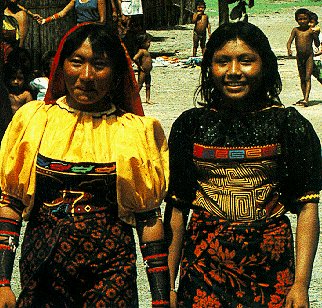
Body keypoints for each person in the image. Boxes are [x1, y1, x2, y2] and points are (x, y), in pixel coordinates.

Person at [0, 22, 170, 307]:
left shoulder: (134, 132)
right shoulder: (34, 121)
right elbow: (11, 203)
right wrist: (3, 282)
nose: (86, 76)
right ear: (61, 65)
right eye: (77, 62)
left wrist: (160, 298)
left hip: (111, 274)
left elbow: (148, 217)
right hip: (42, 270)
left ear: (116, 73)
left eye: (100, 64)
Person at [165, 21, 321, 307]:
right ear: (209, 67)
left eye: (246, 61)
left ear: (265, 65)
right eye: (222, 61)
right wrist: (169, 286)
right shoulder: (190, 125)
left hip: (270, 268)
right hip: (203, 268)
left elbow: (308, 206)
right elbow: (177, 207)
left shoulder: (289, 126)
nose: (234, 72)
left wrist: (300, 285)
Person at [287, 8, 320, 107]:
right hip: (299, 57)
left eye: (305, 19)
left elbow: (317, 44)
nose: (302, 21)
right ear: (296, 20)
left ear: (308, 19)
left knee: (307, 77)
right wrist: (289, 49)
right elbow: (289, 42)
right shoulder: (295, 30)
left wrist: (315, 35)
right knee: (302, 77)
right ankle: (304, 96)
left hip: (309, 57)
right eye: (300, 19)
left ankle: (306, 99)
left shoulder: (310, 31)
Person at [35, 0, 106, 25]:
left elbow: (102, 21)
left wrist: (89, 24)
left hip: (94, 28)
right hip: (79, 28)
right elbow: (62, 13)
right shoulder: (75, 0)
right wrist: (45, 20)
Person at [133, 33, 153, 104]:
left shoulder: (146, 51)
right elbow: (135, 58)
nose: (149, 44)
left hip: (148, 71)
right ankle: (133, 99)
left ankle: (148, 99)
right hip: (143, 71)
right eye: (148, 42)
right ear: (142, 43)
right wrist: (139, 66)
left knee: (148, 85)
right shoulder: (141, 51)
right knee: (140, 85)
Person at [309, 11, 322, 85]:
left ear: (316, 23)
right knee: (305, 78)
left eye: (311, 22)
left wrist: (317, 53)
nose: (309, 24)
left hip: (315, 59)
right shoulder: (303, 33)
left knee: (320, 76)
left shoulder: (319, 34)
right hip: (305, 60)